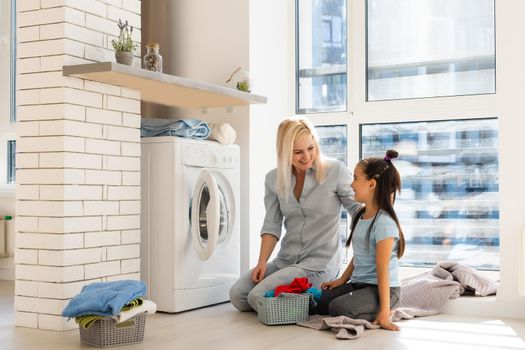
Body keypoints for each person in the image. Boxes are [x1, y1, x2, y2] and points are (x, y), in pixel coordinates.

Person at [229, 116, 361, 313]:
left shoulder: (336, 171)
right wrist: (262, 262)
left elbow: (359, 211)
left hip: (319, 265)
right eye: (298, 152)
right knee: (238, 295)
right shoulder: (273, 179)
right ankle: (305, 300)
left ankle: (310, 299)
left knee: (256, 296)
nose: (306, 156)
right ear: (284, 152)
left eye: (311, 148)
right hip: (285, 260)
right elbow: (271, 224)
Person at [311, 149, 405, 331]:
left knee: (338, 308)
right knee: (320, 302)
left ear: (371, 184)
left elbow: (382, 269)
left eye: (355, 178)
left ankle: (389, 308)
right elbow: (360, 255)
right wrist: (341, 280)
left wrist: (384, 312)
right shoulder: (361, 215)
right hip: (360, 284)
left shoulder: (384, 223)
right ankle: (369, 305)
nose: (351, 184)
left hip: (383, 289)